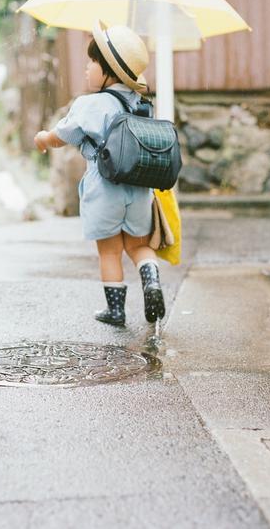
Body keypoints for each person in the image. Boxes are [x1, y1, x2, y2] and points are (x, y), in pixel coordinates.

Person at [34, 20, 165, 326]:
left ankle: (116, 311)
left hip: (105, 186)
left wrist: (43, 138)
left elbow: (63, 135)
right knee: (138, 246)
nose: (86, 68)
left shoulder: (91, 104)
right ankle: (152, 280)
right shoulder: (140, 104)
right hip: (139, 188)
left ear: (108, 69)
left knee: (109, 251)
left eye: (92, 62)